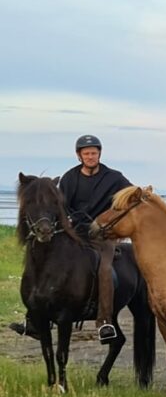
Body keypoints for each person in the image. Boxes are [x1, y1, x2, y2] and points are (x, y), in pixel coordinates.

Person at [11, 134, 132, 343]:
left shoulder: (114, 178)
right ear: (79, 156)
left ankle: (105, 322)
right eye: (86, 153)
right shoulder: (69, 178)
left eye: (94, 153)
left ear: (99, 154)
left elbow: (132, 194)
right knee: (42, 259)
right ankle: (34, 319)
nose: (91, 156)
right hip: (75, 233)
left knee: (104, 268)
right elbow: (58, 207)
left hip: (102, 235)